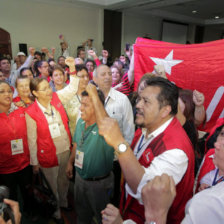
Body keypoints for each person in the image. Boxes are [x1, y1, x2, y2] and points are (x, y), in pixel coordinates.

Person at [97, 77, 195, 224]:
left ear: (165, 110)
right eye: (139, 99)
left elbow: (144, 190)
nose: (138, 105)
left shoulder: (176, 151)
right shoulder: (146, 128)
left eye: (146, 101)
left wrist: (119, 143)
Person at [25, 57, 79, 224]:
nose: (49, 91)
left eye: (48, 87)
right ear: (35, 93)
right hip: (47, 153)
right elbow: (32, 140)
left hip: (64, 148)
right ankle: (55, 212)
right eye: (43, 90)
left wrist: (72, 69)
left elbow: (72, 88)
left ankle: (63, 202)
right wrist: (34, 163)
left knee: (63, 180)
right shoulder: (31, 112)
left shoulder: (56, 98)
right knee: (51, 186)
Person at [66, 86, 114, 224]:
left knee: (103, 219)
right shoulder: (81, 121)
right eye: (81, 103)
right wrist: (70, 162)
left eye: (86, 105)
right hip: (80, 179)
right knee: (82, 215)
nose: (81, 108)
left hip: (99, 184)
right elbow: (76, 144)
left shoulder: (106, 127)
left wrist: (95, 94)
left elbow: (106, 119)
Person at [93, 64, 135, 206]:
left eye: (109, 74)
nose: (107, 77)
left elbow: (129, 131)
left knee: (114, 195)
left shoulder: (122, 100)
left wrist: (122, 157)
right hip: (95, 158)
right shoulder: (89, 99)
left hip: (115, 159)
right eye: (103, 74)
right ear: (94, 79)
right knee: (95, 194)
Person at [0, 81, 32, 215]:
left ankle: (31, 211)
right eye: (2, 91)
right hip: (5, 169)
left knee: (28, 193)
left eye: (9, 91)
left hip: (25, 164)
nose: (7, 94)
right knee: (10, 198)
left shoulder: (22, 109)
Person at [63, 64, 89, 138]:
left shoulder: (94, 94)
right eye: (82, 76)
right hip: (74, 139)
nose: (86, 79)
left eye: (87, 76)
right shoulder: (67, 97)